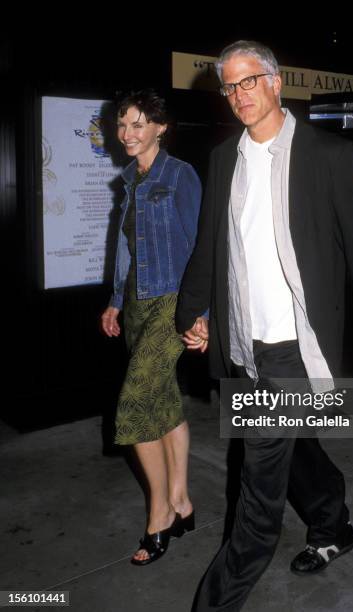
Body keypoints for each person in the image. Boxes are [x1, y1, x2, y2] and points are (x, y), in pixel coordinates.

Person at [176, 41, 353, 610]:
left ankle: (219, 598)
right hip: (242, 341)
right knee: (293, 440)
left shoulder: (327, 155)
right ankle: (333, 525)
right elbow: (213, 245)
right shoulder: (224, 157)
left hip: (294, 347)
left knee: (258, 479)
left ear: (276, 82)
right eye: (229, 87)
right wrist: (196, 311)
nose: (238, 95)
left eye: (248, 81)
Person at [100, 89, 202, 565]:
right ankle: (182, 500)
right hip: (138, 302)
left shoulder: (180, 176)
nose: (128, 134)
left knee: (136, 406)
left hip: (171, 302)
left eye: (139, 124)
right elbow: (127, 251)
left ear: (161, 127)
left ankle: (159, 514)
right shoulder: (130, 181)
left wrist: (201, 314)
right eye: (123, 125)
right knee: (163, 401)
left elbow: (202, 248)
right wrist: (116, 301)